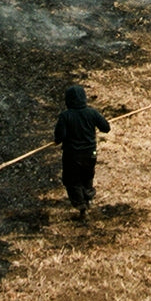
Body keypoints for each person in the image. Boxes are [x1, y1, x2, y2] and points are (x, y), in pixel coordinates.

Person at [54, 84, 110, 221]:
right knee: (87, 176)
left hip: (72, 156)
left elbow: (59, 138)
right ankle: (88, 198)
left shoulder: (65, 116)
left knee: (72, 181)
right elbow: (106, 128)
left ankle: (81, 207)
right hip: (91, 154)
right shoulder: (92, 113)